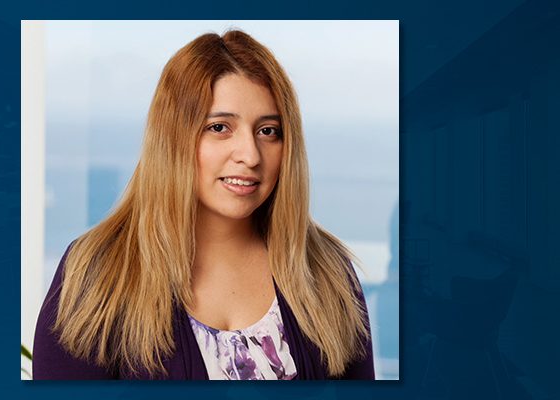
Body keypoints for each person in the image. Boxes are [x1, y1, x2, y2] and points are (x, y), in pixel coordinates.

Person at [33, 29, 374, 380]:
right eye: (220, 127)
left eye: (268, 131)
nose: (250, 155)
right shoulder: (99, 274)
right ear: (173, 137)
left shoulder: (328, 272)